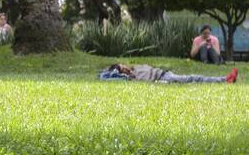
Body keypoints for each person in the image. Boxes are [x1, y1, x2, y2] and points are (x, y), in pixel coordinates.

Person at [101, 63, 238, 84]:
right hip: (163, 78)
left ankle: (225, 78)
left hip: (165, 73)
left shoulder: (135, 68)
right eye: (121, 68)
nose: (124, 67)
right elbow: (106, 77)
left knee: (192, 77)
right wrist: (114, 70)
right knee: (192, 77)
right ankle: (225, 79)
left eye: (122, 65)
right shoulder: (129, 77)